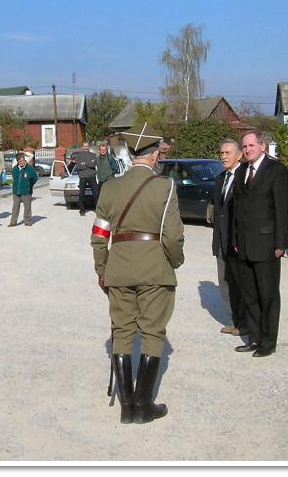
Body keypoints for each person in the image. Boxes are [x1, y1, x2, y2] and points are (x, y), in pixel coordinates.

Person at [90, 138, 184, 424]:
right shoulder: (165, 186)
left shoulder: (109, 187)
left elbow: (99, 235)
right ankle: (143, 405)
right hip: (155, 268)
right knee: (153, 332)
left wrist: (102, 269)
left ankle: (126, 406)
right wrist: (175, 261)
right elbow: (172, 235)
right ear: (155, 155)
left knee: (122, 331)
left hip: (118, 268)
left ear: (129, 155)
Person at [232, 130, 288, 358]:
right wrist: (236, 239)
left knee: (268, 296)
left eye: (251, 146)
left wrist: (280, 243)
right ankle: (254, 338)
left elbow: (282, 209)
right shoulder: (242, 172)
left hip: (267, 245)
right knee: (250, 296)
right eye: (244, 147)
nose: (247, 150)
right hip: (245, 245)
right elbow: (238, 209)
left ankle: (268, 342)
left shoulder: (276, 170)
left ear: (262, 146)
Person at [211, 138, 247, 337]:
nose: (223, 156)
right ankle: (234, 320)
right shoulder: (220, 178)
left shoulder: (245, 177)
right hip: (222, 240)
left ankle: (245, 321)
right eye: (221, 153)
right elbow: (218, 212)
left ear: (239, 155)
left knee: (240, 283)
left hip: (238, 242)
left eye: (228, 153)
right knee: (225, 282)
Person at [9, 152, 37, 227]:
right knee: (15, 207)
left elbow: (35, 178)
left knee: (27, 207)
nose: (21, 162)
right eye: (19, 161)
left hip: (26, 192)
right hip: (16, 191)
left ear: (25, 160)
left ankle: (27, 221)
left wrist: (29, 185)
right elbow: (14, 178)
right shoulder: (15, 168)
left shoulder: (30, 169)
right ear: (17, 161)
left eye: (22, 161)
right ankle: (13, 222)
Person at [70, 141, 99, 216]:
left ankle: (97, 209)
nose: (86, 147)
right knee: (81, 194)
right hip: (83, 177)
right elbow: (79, 166)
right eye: (84, 146)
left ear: (89, 147)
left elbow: (93, 164)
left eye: (87, 146)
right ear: (82, 147)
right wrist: (88, 164)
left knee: (96, 193)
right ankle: (82, 210)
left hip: (92, 176)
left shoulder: (93, 155)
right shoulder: (79, 155)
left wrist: (84, 163)